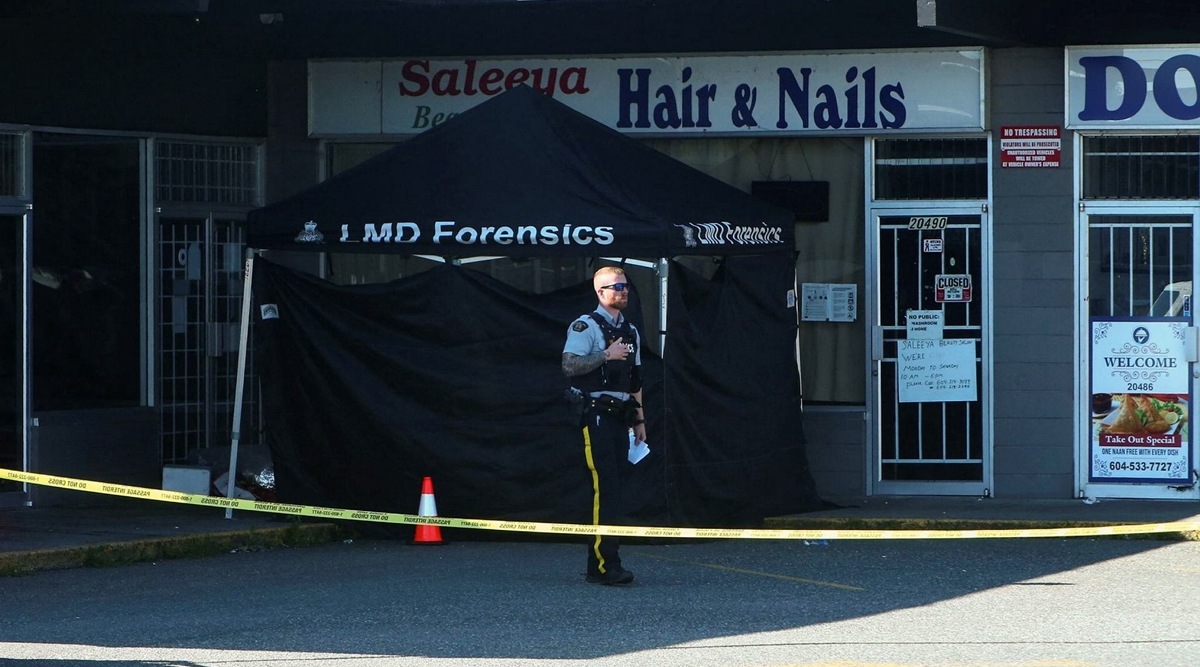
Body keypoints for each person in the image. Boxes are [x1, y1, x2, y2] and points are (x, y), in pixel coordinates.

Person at [562, 265, 646, 586]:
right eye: (617, 287)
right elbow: (569, 365)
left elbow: (636, 381)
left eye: (626, 287)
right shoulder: (585, 326)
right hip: (594, 415)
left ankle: (600, 563)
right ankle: (606, 563)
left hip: (620, 415)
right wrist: (605, 354)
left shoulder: (631, 332)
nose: (624, 292)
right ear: (601, 292)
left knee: (614, 491)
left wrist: (640, 421)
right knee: (605, 488)